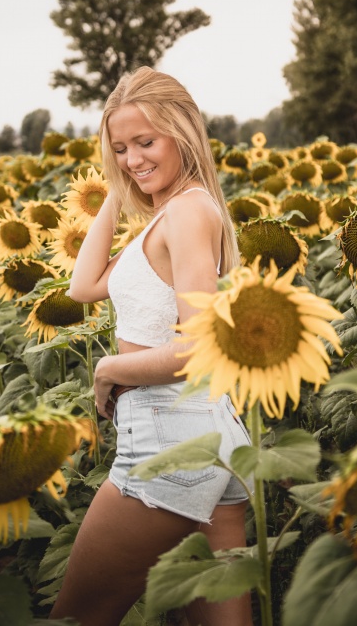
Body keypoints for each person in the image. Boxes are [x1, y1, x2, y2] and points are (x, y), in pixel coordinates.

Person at [49, 67, 253, 626]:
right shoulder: (171, 212)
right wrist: (116, 189)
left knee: (76, 618)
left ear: (182, 134)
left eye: (146, 142)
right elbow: (83, 286)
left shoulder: (187, 212)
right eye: (120, 148)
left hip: (168, 441)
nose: (134, 158)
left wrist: (110, 368)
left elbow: (196, 348)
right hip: (209, 437)